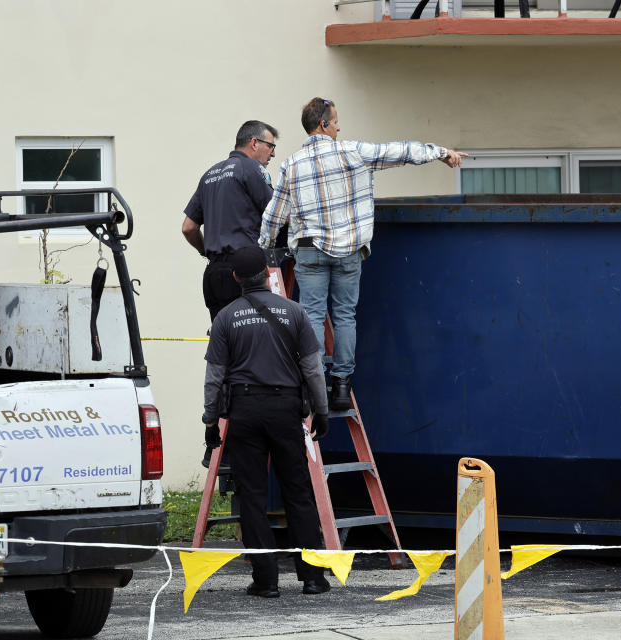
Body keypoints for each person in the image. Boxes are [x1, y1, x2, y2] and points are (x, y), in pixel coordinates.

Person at [258, 97, 466, 410]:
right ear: (324, 124)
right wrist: (441, 153)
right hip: (349, 252)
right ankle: (341, 387)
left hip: (310, 250)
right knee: (344, 316)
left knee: (311, 315)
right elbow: (400, 151)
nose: (339, 127)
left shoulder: (292, 164)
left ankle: (312, 388)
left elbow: (274, 215)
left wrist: (264, 247)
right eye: (336, 121)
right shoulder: (353, 152)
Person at [202, 246, 331, 598]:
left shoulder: (225, 318)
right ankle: (314, 577)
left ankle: (266, 580)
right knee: (298, 493)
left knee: (253, 496)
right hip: (285, 409)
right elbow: (313, 370)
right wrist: (321, 411)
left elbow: (214, 378)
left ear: (235, 278)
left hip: (244, 410)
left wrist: (210, 421)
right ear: (266, 273)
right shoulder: (295, 313)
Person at [182, 120, 279, 320]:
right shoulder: (252, 168)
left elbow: (188, 228)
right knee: (251, 339)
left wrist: (204, 251)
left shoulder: (209, 174)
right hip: (244, 272)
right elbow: (275, 214)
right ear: (254, 143)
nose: (273, 153)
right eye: (270, 146)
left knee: (222, 341)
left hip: (213, 273)